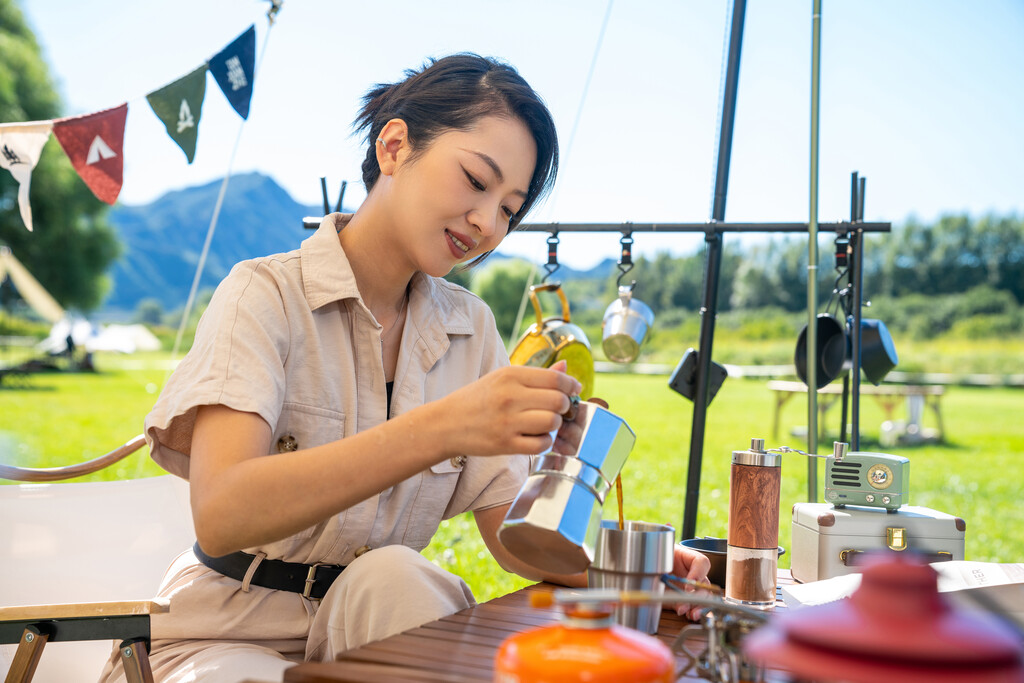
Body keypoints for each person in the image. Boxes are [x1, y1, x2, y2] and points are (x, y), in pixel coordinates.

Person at [101, 53, 709, 683]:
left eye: (509, 209)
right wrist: (443, 428)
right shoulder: (264, 295)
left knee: (397, 576)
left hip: (376, 626)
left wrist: (645, 570)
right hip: (220, 638)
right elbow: (223, 512)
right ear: (394, 146)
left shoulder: (470, 330)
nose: (486, 224)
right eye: (476, 180)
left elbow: (513, 537)